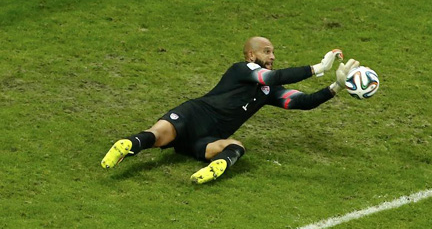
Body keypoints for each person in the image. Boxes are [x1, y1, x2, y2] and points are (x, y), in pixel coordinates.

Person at [101, 36, 359, 184]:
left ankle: (213, 168)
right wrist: (317, 68)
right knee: (157, 136)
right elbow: (271, 76)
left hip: (208, 137)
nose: (272, 56)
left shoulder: (269, 92)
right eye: (266, 51)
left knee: (235, 145)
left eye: (274, 53)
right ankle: (126, 144)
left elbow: (303, 102)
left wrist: (336, 86)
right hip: (194, 115)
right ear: (250, 55)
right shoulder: (243, 70)